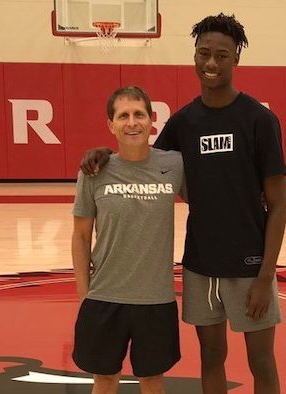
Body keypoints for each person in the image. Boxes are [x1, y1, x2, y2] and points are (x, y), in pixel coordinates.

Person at [80, 13, 286, 394]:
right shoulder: (184, 123)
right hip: (200, 265)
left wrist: (265, 276)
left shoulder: (259, 120)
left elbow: (279, 203)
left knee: (261, 360)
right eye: (204, 53)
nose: (211, 63)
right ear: (194, 56)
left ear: (236, 59)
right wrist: (104, 153)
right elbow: (142, 161)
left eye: (222, 55)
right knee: (211, 356)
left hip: (250, 265)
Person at [72, 86, 184, 394]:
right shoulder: (95, 171)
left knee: (152, 381)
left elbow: (211, 195)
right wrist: (85, 295)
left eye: (139, 114)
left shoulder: (174, 165)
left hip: (156, 299)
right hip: (104, 297)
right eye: (123, 116)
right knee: (105, 381)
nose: (132, 122)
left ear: (151, 121)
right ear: (110, 124)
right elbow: (80, 235)